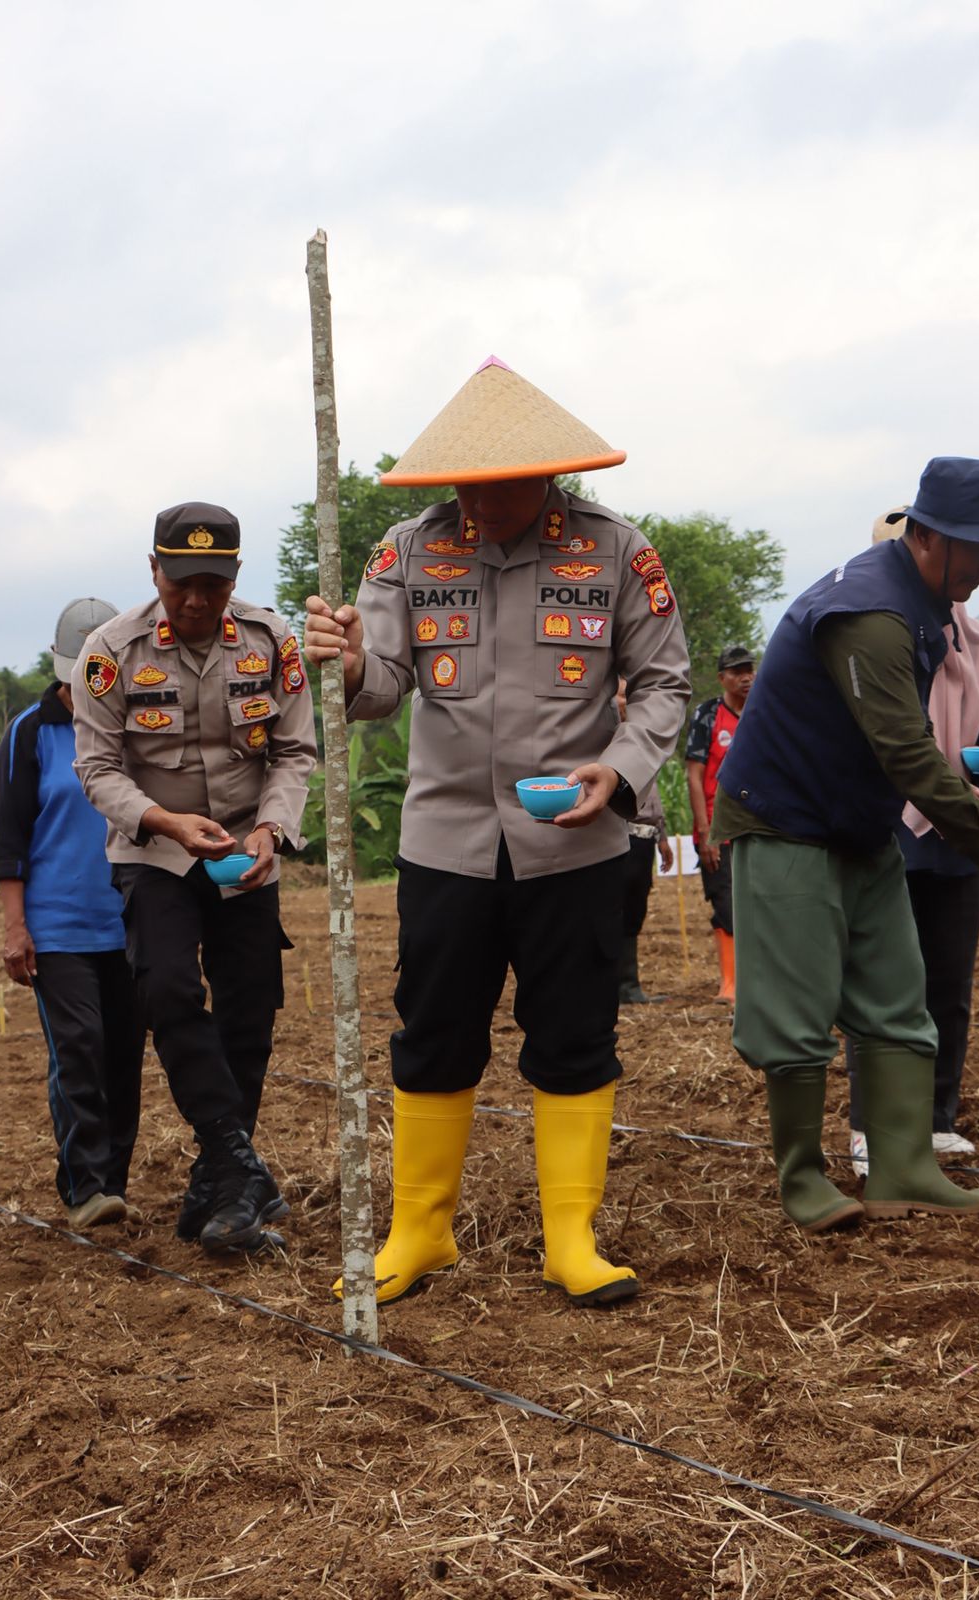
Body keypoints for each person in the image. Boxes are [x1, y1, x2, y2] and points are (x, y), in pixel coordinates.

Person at [305, 355, 691, 1306]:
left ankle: (571, 1240)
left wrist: (619, 769)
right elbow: (380, 689)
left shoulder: (617, 551)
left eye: (497, 487)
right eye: (464, 488)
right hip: (447, 844)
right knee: (434, 1030)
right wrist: (349, 664)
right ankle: (420, 1231)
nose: (476, 505)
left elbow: (664, 684)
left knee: (575, 1032)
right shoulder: (406, 551)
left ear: (547, 474)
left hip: (577, 844)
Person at [714, 456, 979, 1233]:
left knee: (897, 998)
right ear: (927, 536)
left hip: (860, 824)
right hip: (786, 820)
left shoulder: (924, 603)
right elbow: (909, 755)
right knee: (794, 1016)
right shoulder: (869, 611)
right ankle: (802, 1178)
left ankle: (903, 1168)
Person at [72, 503, 317, 1254]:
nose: (198, 600)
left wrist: (272, 829)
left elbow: (294, 751)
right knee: (169, 991)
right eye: (182, 584)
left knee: (251, 1010)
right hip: (155, 853)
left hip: (247, 852)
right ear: (155, 571)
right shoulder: (111, 652)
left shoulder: (272, 641)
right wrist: (165, 821)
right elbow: (97, 768)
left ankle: (222, 1189)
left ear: (236, 576)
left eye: (214, 584)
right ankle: (236, 1162)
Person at [845, 513, 979, 1176]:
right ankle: (870, 1128)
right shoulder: (872, 634)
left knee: (948, 984)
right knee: (881, 985)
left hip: (959, 829)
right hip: (887, 828)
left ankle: (937, 1119)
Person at [0, 599, 145, 1230]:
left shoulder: (138, 726)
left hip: (129, 920)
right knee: (79, 1047)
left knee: (125, 1055)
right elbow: (8, 838)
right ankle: (84, 1186)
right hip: (57, 929)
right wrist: (15, 928)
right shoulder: (31, 732)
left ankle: (113, 1184)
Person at [684, 645, 755, 1003]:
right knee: (725, 903)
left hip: (758, 827)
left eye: (749, 670)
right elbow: (694, 776)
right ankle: (730, 983)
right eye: (737, 671)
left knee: (760, 904)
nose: (746, 677)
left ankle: (759, 979)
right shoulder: (708, 715)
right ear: (722, 678)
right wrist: (705, 832)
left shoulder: (763, 710)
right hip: (718, 826)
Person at [615, 678, 674, 1004]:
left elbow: (653, 794)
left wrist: (662, 836)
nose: (628, 701)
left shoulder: (642, 738)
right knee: (617, 907)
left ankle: (629, 984)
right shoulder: (606, 739)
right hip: (620, 835)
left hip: (645, 838)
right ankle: (615, 984)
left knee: (636, 907)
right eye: (623, 695)